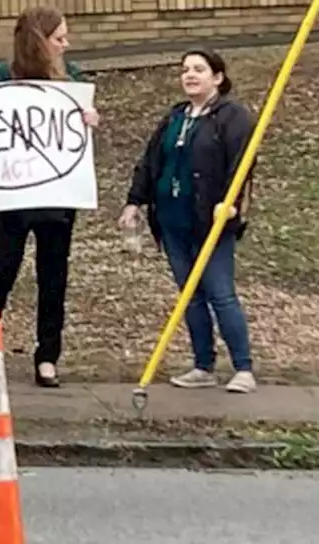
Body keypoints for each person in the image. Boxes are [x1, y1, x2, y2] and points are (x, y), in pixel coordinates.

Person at [0, 5, 100, 388]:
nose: (66, 44)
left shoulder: (72, 78)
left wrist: (90, 121)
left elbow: (74, 135)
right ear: (40, 41)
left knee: (54, 273)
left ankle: (48, 356)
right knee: (2, 268)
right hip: (7, 194)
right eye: (60, 38)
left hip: (56, 193)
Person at [119, 49, 258, 394]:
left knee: (220, 292)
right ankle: (202, 365)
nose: (190, 75)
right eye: (185, 70)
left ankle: (243, 367)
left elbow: (242, 164)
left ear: (218, 77)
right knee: (190, 295)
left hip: (209, 221)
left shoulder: (232, 117)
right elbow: (151, 161)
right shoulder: (175, 117)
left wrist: (230, 202)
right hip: (171, 219)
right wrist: (135, 201)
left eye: (199, 69)